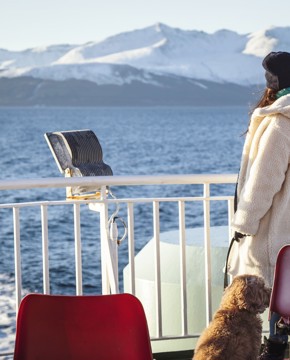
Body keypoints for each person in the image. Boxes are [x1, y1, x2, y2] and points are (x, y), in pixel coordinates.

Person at [228, 51, 290, 360]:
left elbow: (264, 182)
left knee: (276, 298)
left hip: (276, 233)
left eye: (270, 77)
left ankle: (274, 351)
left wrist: (243, 225)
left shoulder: (280, 123)